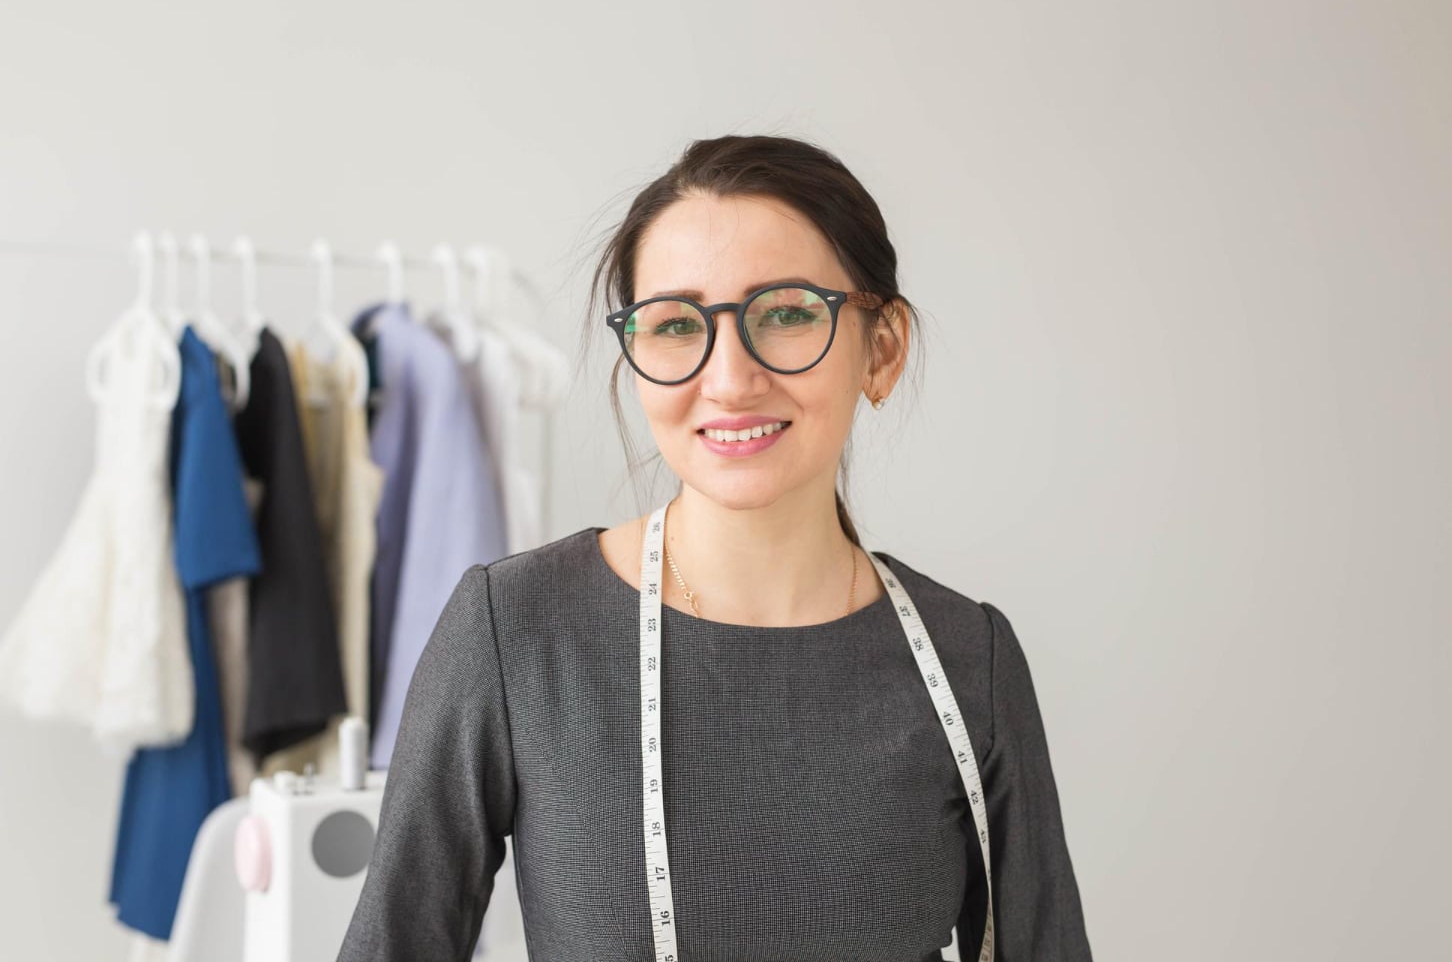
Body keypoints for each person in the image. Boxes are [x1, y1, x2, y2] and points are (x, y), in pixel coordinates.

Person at [337, 134, 1093, 961]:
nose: (730, 380)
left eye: (788, 313)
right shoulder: (516, 632)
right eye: (674, 324)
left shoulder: (967, 660)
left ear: (881, 350)